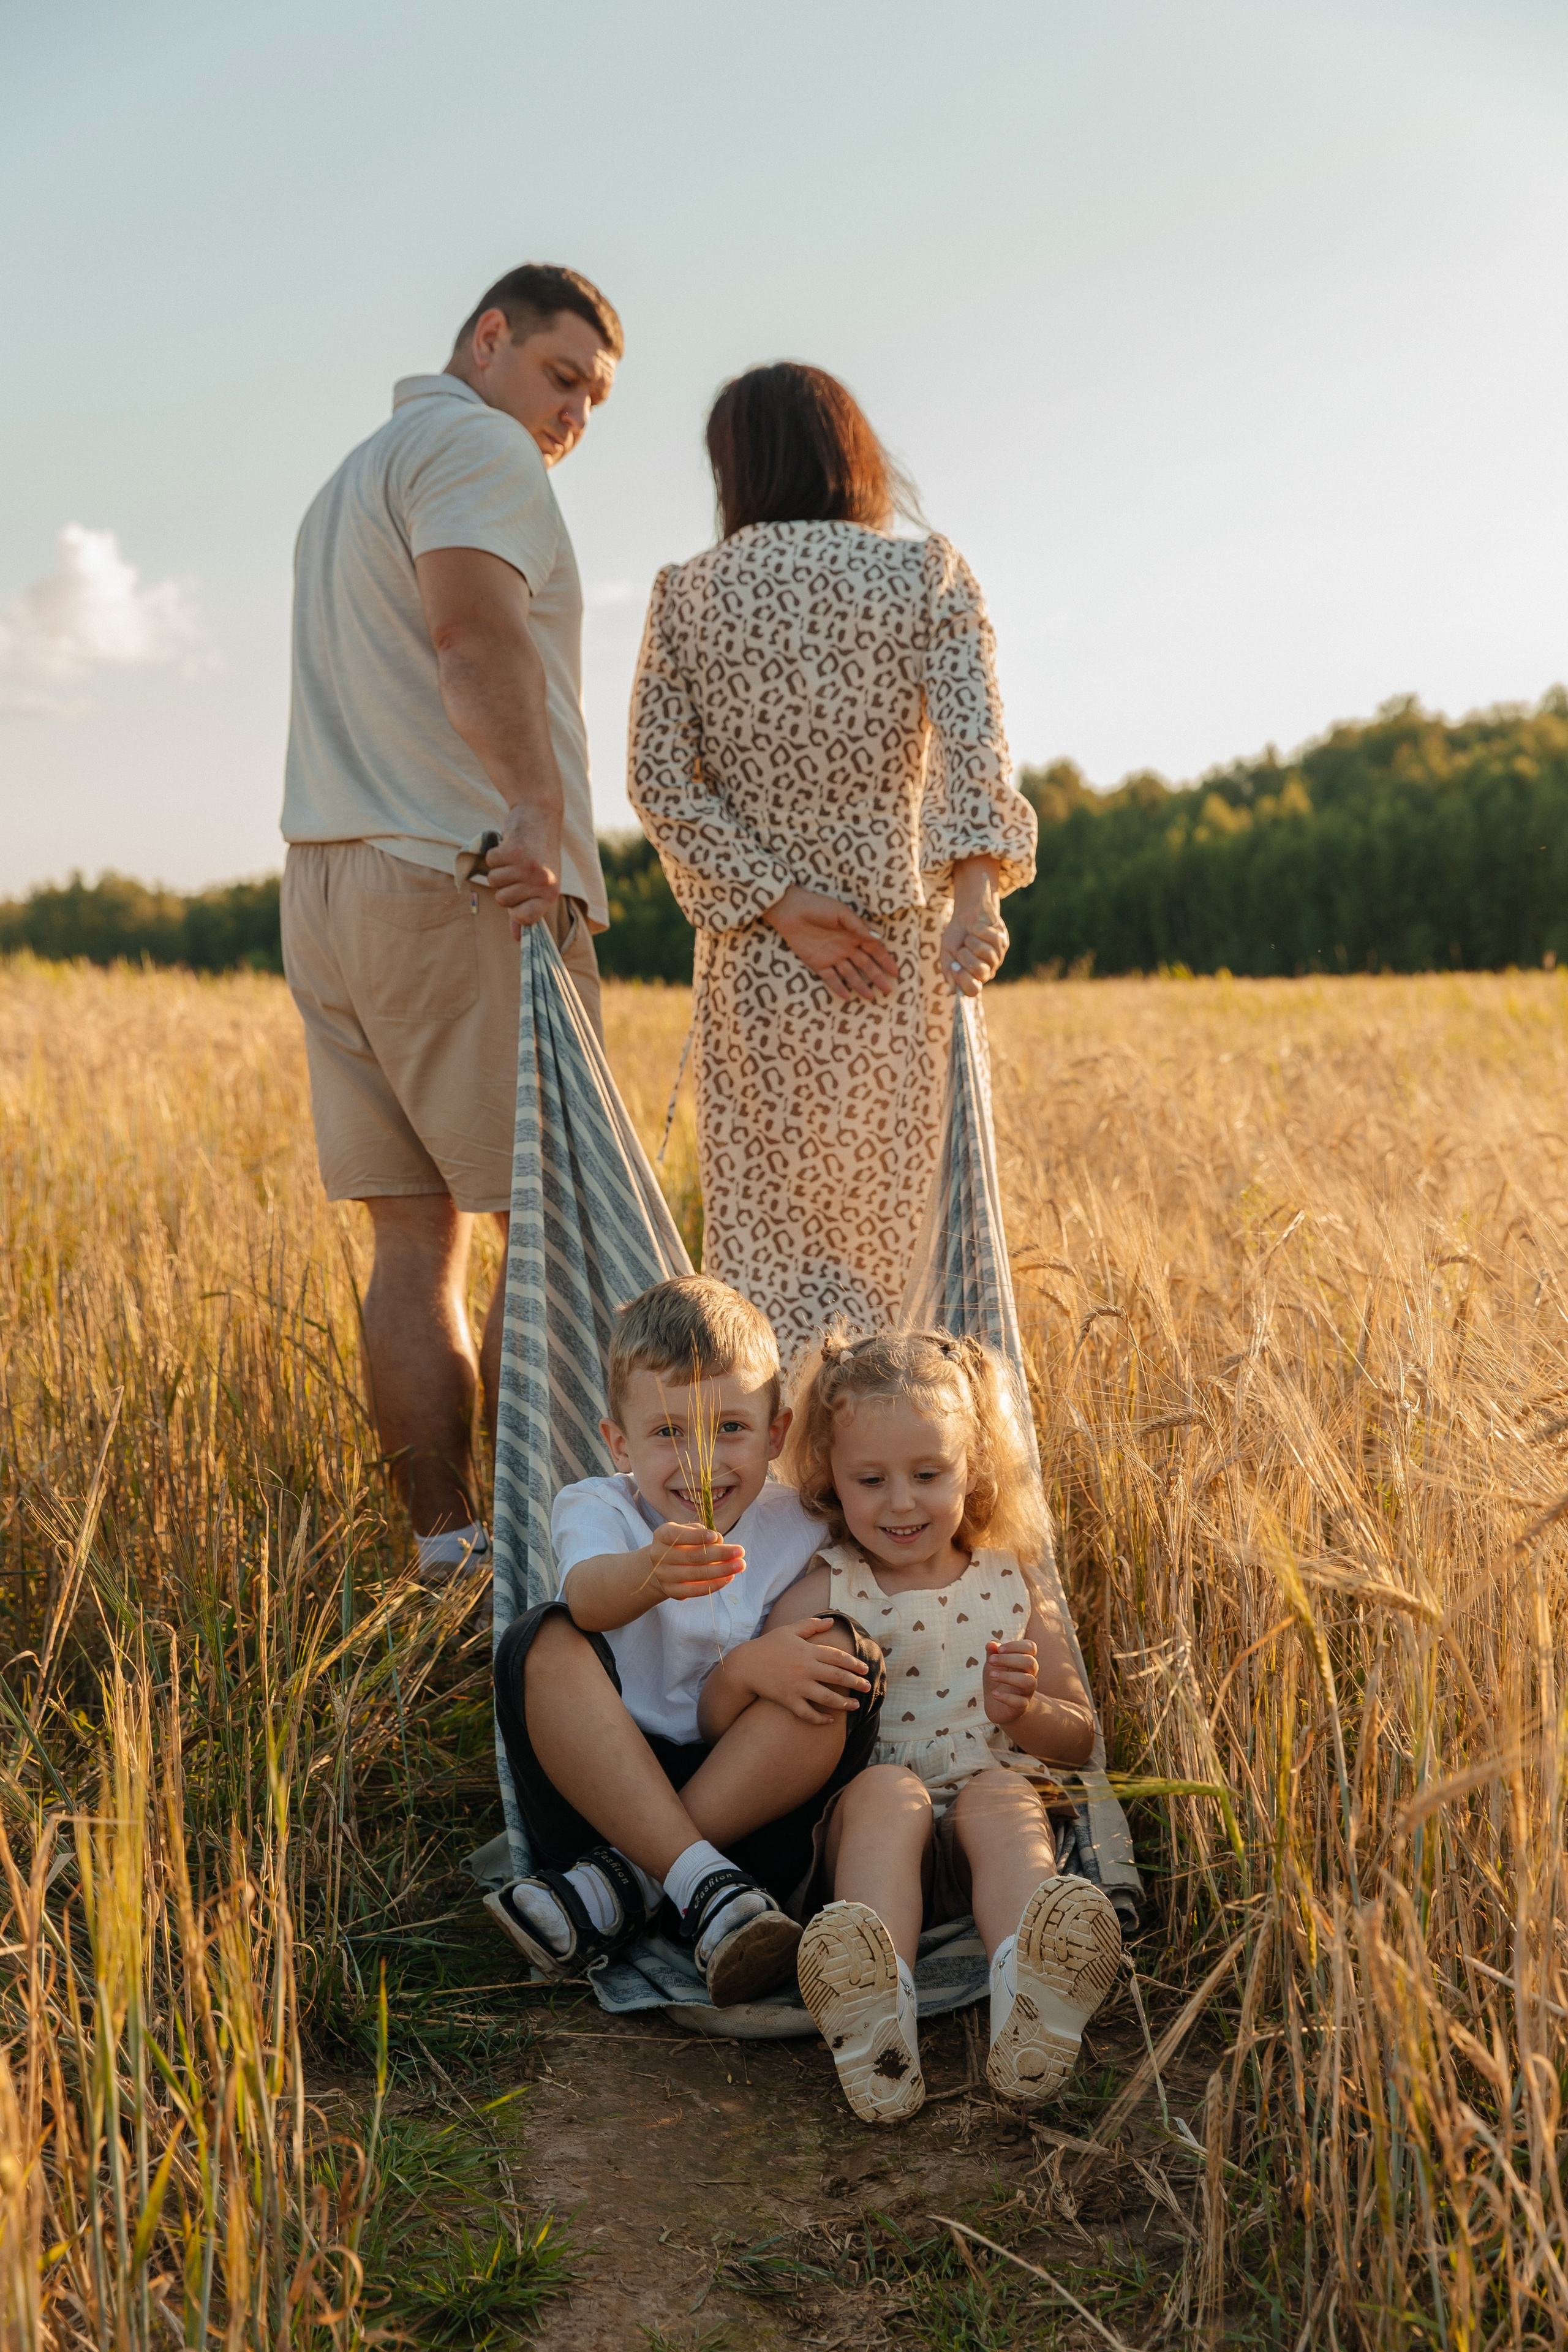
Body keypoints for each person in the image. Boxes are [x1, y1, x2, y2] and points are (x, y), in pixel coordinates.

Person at [279, 263, 620, 1576]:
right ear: (488, 339)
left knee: (416, 1243)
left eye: (591, 399)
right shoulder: (478, 447)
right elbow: (474, 636)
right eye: (560, 375)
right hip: (461, 876)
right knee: (556, 1225)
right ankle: (576, 1565)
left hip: (329, 883)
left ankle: (449, 1552)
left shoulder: (350, 477)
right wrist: (536, 813)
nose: (571, 415)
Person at [628, 363, 1038, 1370]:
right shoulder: (926, 575)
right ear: (851, 452)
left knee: (767, 1268)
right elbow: (977, 757)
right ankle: (923, 1504)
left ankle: (779, 1516)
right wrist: (974, 901)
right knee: (918, 1265)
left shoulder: (688, 594)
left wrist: (780, 902)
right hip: (907, 962)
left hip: (762, 971)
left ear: (734, 467)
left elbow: (656, 779)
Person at [485, 1276, 888, 2008]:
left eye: (731, 1428)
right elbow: (587, 1599)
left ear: (776, 1433)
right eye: (668, 1433)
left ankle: (627, 1886)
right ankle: (697, 1884)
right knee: (540, 1638)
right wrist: (649, 1572)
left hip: (751, 1800)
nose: (701, 1462)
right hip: (605, 1785)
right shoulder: (598, 1507)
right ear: (618, 1443)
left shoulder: (798, 1519)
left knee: (841, 1653)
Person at [760, 1329, 1123, 2124]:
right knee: (889, 1787)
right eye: (870, 1479)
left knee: (1003, 1791)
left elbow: (1080, 1742)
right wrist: (783, 1675)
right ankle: (874, 2002)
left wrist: (1025, 1712)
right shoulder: (827, 1587)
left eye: (929, 1474)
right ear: (832, 1480)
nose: (900, 1502)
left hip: (979, 1844)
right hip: (869, 1845)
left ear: (974, 1470)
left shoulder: (1011, 1581)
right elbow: (767, 1713)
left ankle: (1029, 1985)